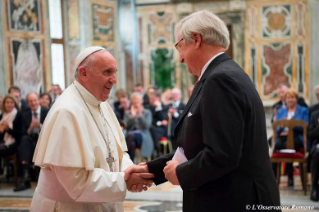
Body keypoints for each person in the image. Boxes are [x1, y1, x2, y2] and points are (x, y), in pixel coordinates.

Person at [131, 10, 281, 211]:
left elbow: (222, 154)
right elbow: (194, 148)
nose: (180, 59)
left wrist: (182, 174)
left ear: (196, 39)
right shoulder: (221, 74)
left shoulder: (221, 79)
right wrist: (149, 170)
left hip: (233, 200)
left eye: (179, 47)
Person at [30, 46, 154, 212]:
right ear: (84, 73)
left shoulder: (101, 104)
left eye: (115, 72)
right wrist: (124, 180)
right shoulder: (66, 111)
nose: (114, 80)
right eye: (107, 72)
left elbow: (116, 153)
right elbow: (76, 182)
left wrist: (130, 171)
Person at [13, 93, 49, 192]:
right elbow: (22, 132)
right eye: (30, 101)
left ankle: (45, 179)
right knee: (24, 140)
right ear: (28, 103)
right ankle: (26, 177)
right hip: (30, 140)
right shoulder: (24, 114)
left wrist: (40, 126)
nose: (33, 103)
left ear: (38, 101)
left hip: (43, 140)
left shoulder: (47, 111)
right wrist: (31, 127)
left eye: (35, 100)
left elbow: (52, 130)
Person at [274, 88, 309, 186]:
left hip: (297, 137)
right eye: (288, 97)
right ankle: (273, 176)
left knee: (288, 145)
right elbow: (276, 128)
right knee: (276, 144)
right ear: (285, 99)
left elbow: (305, 126)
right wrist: (282, 126)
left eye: (292, 97)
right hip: (283, 136)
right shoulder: (281, 111)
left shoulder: (303, 111)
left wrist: (291, 124)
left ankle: (290, 176)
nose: (290, 100)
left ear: (296, 98)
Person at [124, 92, 154, 160]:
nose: (136, 101)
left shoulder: (147, 112)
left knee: (131, 137)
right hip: (130, 136)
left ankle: (127, 159)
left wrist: (140, 116)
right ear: (132, 101)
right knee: (132, 143)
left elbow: (147, 126)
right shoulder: (127, 113)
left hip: (143, 135)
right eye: (134, 99)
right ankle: (131, 161)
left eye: (138, 99)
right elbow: (125, 127)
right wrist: (132, 117)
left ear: (141, 101)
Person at [0, 95, 25, 169]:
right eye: (7, 102)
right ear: (4, 104)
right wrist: (1, 131)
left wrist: (8, 129)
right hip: (3, 142)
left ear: (15, 104)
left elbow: (20, 134)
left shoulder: (18, 115)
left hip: (15, 143)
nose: (9, 104)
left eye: (11, 102)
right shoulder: (2, 116)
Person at [307, 110, 319, 201]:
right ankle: (314, 189)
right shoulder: (315, 115)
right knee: (317, 153)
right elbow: (310, 135)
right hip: (318, 145)